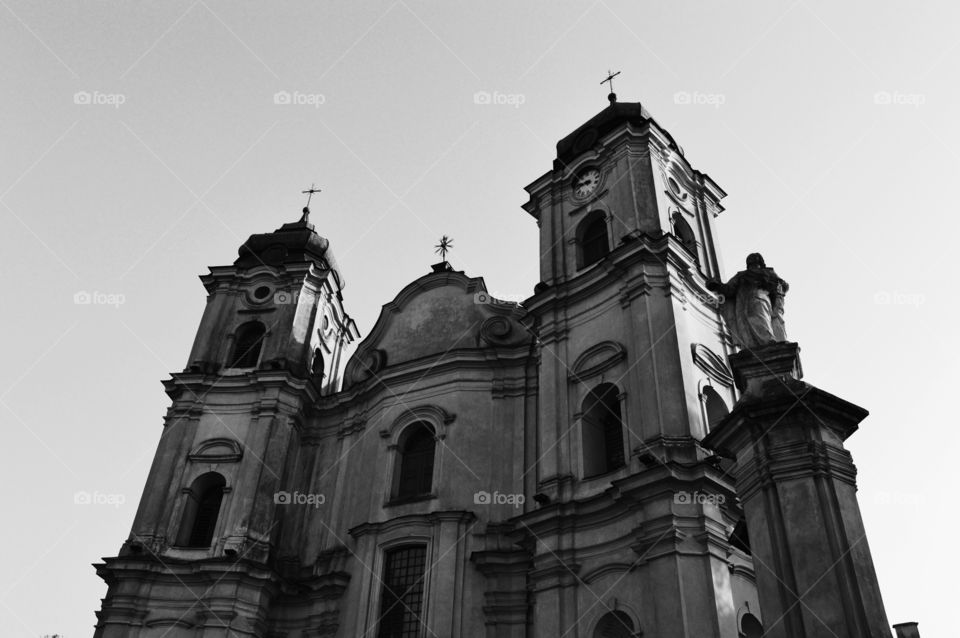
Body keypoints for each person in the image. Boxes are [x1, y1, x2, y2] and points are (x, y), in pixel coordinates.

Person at [706, 253, 788, 349]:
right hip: (749, 303)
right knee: (751, 325)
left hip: (755, 301)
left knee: (758, 322)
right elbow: (728, 290)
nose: (752, 265)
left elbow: (728, 289)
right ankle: (756, 346)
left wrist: (716, 285)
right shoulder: (747, 275)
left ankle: (767, 343)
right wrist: (717, 285)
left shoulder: (746, 275)